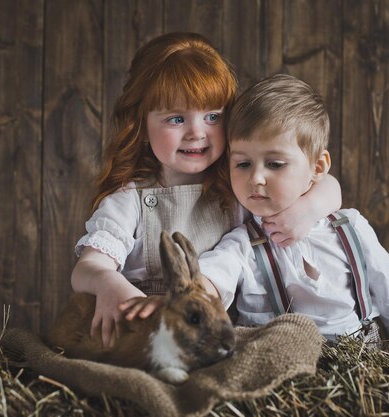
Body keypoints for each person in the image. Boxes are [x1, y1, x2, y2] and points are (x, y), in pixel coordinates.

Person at [71, 33, 342, 347]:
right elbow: (87, 267)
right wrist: (108, 284)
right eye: (176, 118)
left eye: (212, 116)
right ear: (142, 127)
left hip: (225, 335)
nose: (196, 133)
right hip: (154, 336)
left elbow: (327, 184)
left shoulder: (239, 184)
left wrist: (306, 210)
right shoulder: (128, 201)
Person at [198, 74, 389, 352]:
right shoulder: (242, 243)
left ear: (318, 167)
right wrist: (195, 291)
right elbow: (213, 276)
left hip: (361, 370)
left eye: (275, 164)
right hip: (278, 373)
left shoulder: (350, 229)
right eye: (243, 164)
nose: (256, 178)